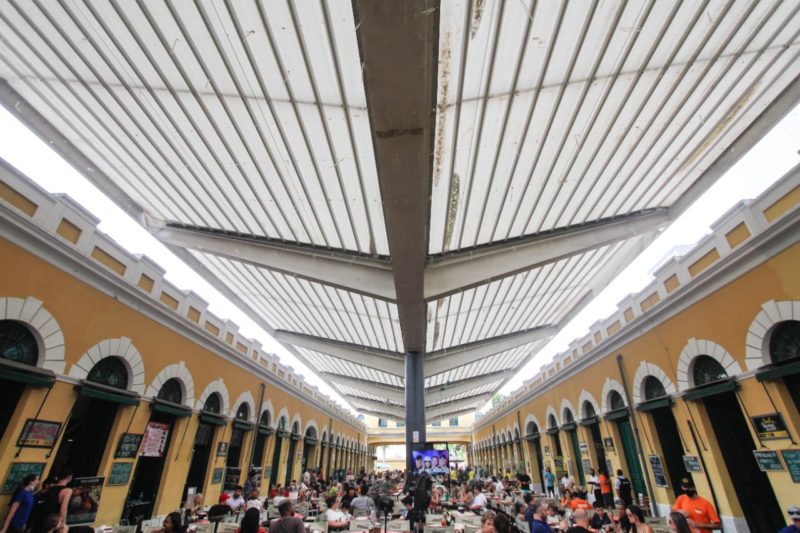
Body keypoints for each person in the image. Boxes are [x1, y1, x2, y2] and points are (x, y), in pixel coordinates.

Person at [27, 467, 72, 533]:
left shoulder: (50, 487)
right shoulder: (67, 490)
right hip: (51, 522)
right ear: (69, 477)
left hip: (40, 520)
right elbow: (63, 509)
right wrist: (63, 525)